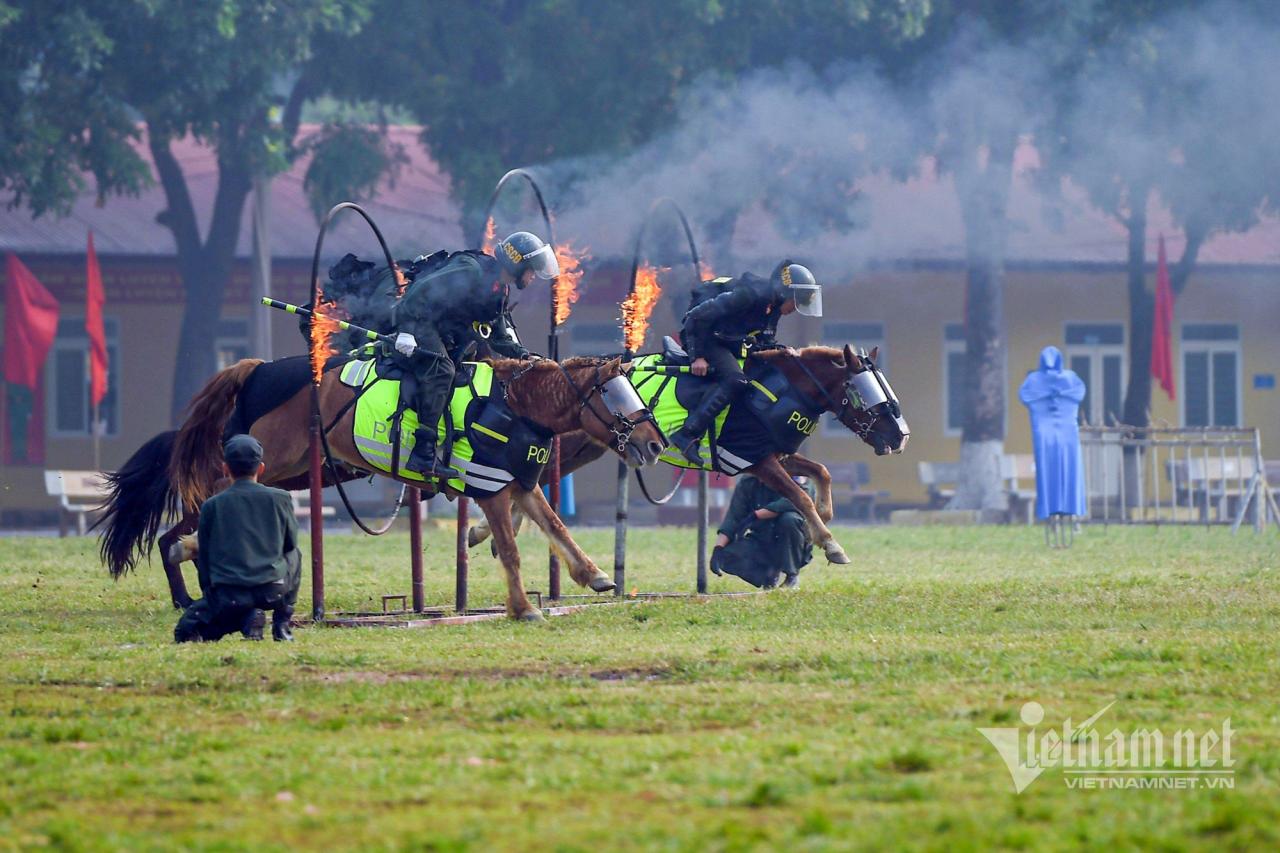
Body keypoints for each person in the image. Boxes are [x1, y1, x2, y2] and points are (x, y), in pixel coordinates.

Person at [389, 232, 558, 477]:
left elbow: (499, 337)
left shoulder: (500, 290)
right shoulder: (470, 270)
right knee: (442, 370)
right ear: (518, 263)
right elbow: (419, 292)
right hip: (418, 322)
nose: (533, 277)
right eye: (532, 270)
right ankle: (422, 454)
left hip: (439, 332)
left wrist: (525, 357)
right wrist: (406, 330)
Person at [669, 260, 823, 465]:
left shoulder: (773, 307)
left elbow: (763, 341)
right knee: (736, 380)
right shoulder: (750, 295)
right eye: (796, 301)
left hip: (728, 340)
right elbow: (696, 317)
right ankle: (687, 434)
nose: (796, 308)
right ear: (785, 292)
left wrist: (781, 353)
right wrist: (697, 356)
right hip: (705, 336)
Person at [174, 435, 301, 643]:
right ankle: (282, 624)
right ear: (261, 468)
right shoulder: (281, 499)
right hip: (273, 590)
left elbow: (204, 559)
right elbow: (290, 544)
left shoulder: (212, 506)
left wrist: (211, 596)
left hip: (228, 595)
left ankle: (245, 617)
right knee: (295, 553)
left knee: (186, 633)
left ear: (225, 469)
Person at [711, 474, 817, 589]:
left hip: (792, 542)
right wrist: (718, 549)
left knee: (789, 520)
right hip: (762, 540)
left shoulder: (795, 474)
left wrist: (757, 515)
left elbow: (799, 498)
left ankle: (791, 576)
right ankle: (769, 576)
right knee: (727, 554)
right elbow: (733, 517)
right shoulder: (749, 482)